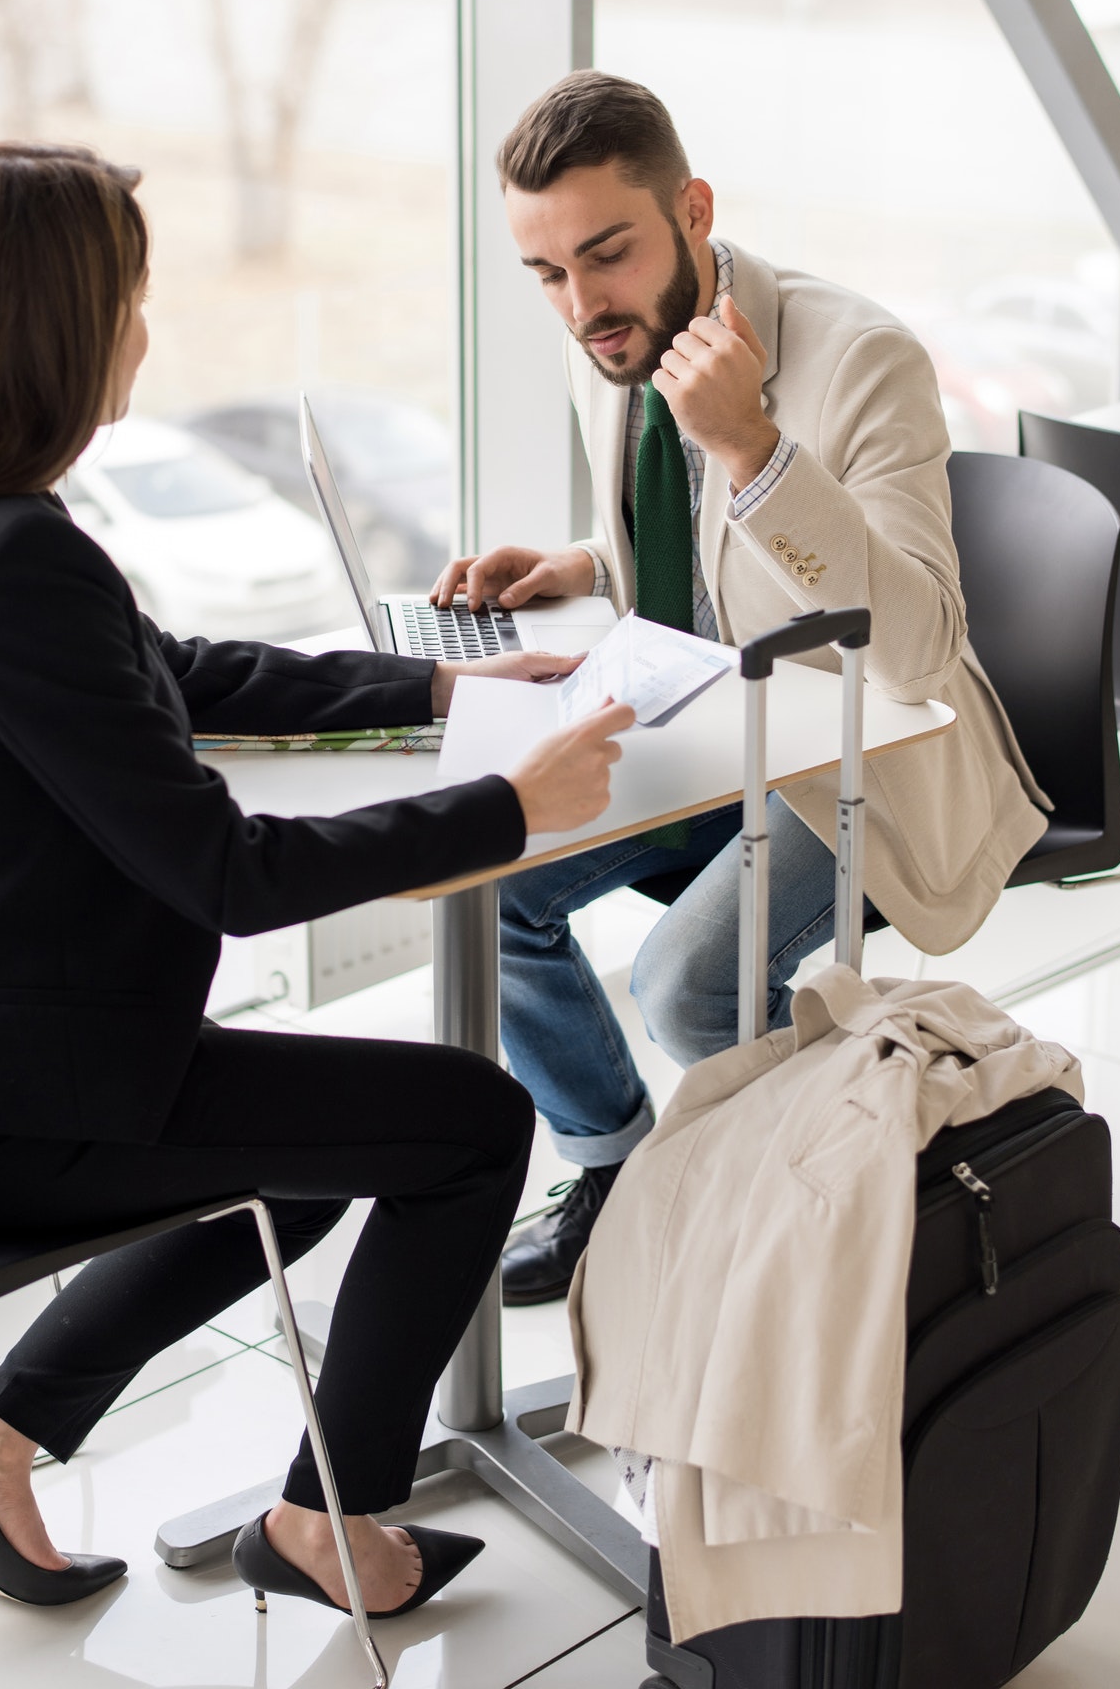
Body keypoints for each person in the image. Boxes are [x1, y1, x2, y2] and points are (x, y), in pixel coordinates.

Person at [0, 143, 634, 1619]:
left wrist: (437, 688)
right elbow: (232, 875)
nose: (143, 331)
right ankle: (331, 1519)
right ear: (56, 324)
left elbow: (174, 671)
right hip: (11, 1102)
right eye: (128, 297)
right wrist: (506, 806)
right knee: (470, 1125)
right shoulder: (17, 560)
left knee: (325, 1152)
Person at [430, 70, 1049, 1304]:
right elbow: (701, 548)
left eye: (606, 254)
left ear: (694, 211)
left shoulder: (861, 358)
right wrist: (584, 562)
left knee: (688, 982)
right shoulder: (617, 337)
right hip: (710, 726)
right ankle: (617, 1177)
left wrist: (755, 448)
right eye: (547, 273)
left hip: (860, 759)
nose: (582, 305)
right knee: (486, 873)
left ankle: (802, 1246)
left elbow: (919, 646)